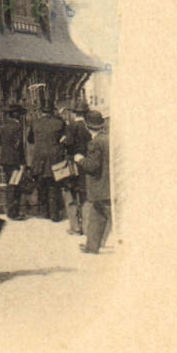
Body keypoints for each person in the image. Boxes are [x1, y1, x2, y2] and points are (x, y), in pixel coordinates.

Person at [75, 109, 111, 253]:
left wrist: (80, 160)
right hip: (108, 184)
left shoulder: (94, 143)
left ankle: (93, 245)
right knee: (97, 214)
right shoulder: (108, 139)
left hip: (100, 185)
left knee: (106, 214)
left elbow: (92, 166)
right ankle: (91, 246)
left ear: (86, 126)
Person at [27, 104, 66, 222]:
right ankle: (55, 214)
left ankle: (44, 212)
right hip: (55, 157)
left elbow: (30, 140)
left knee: (41, 184)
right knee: (54, 185)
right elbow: (64, 138)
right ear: (52, 111)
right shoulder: (59, 123)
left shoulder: (35, 123)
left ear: (41, 111)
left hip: (39, 158)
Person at [61, 103, 90, 235]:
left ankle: (75, 226)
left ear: (75, 113)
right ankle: (86, 226)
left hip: (72, 165)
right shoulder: (89, 128)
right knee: (84, 196)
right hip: (85, 166)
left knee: (70, 196)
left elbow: (67, 143)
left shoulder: (71, 126)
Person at [0, 104, 28, 220]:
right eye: (20, 114)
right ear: (16, 114)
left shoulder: (4, 126)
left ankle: (10, 210)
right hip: (15, 160)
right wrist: (22, 162)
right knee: (15, 186)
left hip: (5, 160)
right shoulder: (17, 126)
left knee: (10, 184)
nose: (21, 116)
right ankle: (13, 213)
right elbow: (18, 145)